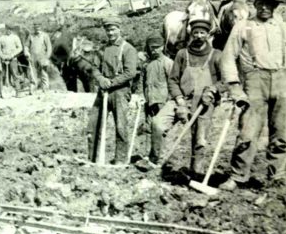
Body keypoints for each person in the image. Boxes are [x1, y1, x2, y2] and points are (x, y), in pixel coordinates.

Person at [219, 0, 286, 190]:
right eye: (261, 4)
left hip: (282, 82)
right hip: (254, 82)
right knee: (248, 132)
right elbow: (227, 58)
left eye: (269, 5)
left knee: (280, 133)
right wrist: (234, 87)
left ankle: (277, 177)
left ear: (275, 7)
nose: (264, 8)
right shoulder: (242, 27)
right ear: (255, 4)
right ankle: (237, 176)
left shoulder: (283, 27)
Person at [151, 20, 223, 171]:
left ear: (208, 34)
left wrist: (213, 90)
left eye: (202, 33)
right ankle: (157, 162)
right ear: (191, 34)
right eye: (195, 33)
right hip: (181, 99)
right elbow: (173, 80)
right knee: (157, 124)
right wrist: (180, 100)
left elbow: (226, 80)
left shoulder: (216, 55)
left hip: (204, 103)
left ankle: (195, 173)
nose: (198, 36)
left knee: (199, 140)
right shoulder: (182, 54)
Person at [87, 16, 139, 164]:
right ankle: (93, 159)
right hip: (103, 90)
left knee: (121, 127)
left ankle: (120, 160)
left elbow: (130, 73)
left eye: (113, 29)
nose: (110, 33)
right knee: (93, 124)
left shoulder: (128, 49)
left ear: (119, 29)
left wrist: (111, 82)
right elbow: (94, 68)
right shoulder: (103, 49)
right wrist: (101, 80)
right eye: (107, 30)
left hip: (120, 92)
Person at [142, 35, 174, 162]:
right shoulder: (147, 65)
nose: (154, 50)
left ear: (163, 47)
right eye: (152, 48)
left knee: (161, 130)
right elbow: (144, 82)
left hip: (162, 101)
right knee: (149, 128)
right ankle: (150, 155)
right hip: (150, 100)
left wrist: (170, 100)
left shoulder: (168, 63)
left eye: (157, 47)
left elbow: (173, 82)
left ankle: (161, 156)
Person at [26, 22, 53, 90]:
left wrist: (46, 58)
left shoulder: (45, 36)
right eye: (35, 27)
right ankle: (33, 88)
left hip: (42, 57)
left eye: (38, 27)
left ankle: (45, 88)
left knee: (43, 73)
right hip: (32, 57)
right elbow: (26, 46)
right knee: (33, 73)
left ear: (40, 27)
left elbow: (49, 48)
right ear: (34, 28)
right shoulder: (31, 36)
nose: (37, 28)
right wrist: (26, 53)